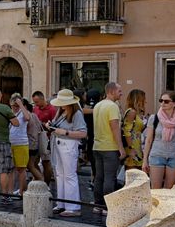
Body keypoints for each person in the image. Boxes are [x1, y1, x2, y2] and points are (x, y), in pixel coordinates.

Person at [46, 89, 87, 217]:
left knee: (69, 175)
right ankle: (62, 203)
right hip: (58, 144)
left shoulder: (76, 114)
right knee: (60, 175)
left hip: (68, 144)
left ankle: (73, 206)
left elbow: (83, 133)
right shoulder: (62, 112)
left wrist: (65, 132)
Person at [142, 91, 175, 190]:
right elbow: (149, 140)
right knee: (155, 188)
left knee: (169, 189)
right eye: (161, 101)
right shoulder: (154, 118)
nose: (162, 103)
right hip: (157, 155)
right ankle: (155, 206)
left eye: (166, 101)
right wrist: (145, 160)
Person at [92, 82, 125, 212]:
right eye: (119, 91)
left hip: (97, 146)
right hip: (110, 147)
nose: (121, 93)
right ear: (111, 91)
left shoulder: (98, 105)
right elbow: (115, 128)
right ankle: (107, 207)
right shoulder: (112, 106)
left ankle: (98, 205)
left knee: (99, 177)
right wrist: (121, 148)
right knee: (110, 177)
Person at [8, 94, 32, 195]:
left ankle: (22, 192)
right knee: (10, 169)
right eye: (14, 105)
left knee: (21, 169)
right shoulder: (8, 113)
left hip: (21, 144)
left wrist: (21, 105)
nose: (15, 107)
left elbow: (28, 118)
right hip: (10, 143)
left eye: (17, 105)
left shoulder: (23, 113)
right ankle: (9, 192)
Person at [31, 91, 56, 185]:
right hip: (35, 138)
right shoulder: (35, 109)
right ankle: (39, 180)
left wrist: (42, 124)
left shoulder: (52, 109)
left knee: (46, 162)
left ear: (42, 99)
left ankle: (46, 184)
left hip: (46, 138)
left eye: (37, 102)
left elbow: (54, 126)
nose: (36, 104)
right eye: (34, 102)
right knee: (33, 163)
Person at [122, 89, 147, 171]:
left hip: (138, 144)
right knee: (132, 174)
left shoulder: (136, 112)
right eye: (143, 99)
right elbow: (127, 131)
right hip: (133, 145)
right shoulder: (131, 112)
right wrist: (131, 149)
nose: (145, 102)